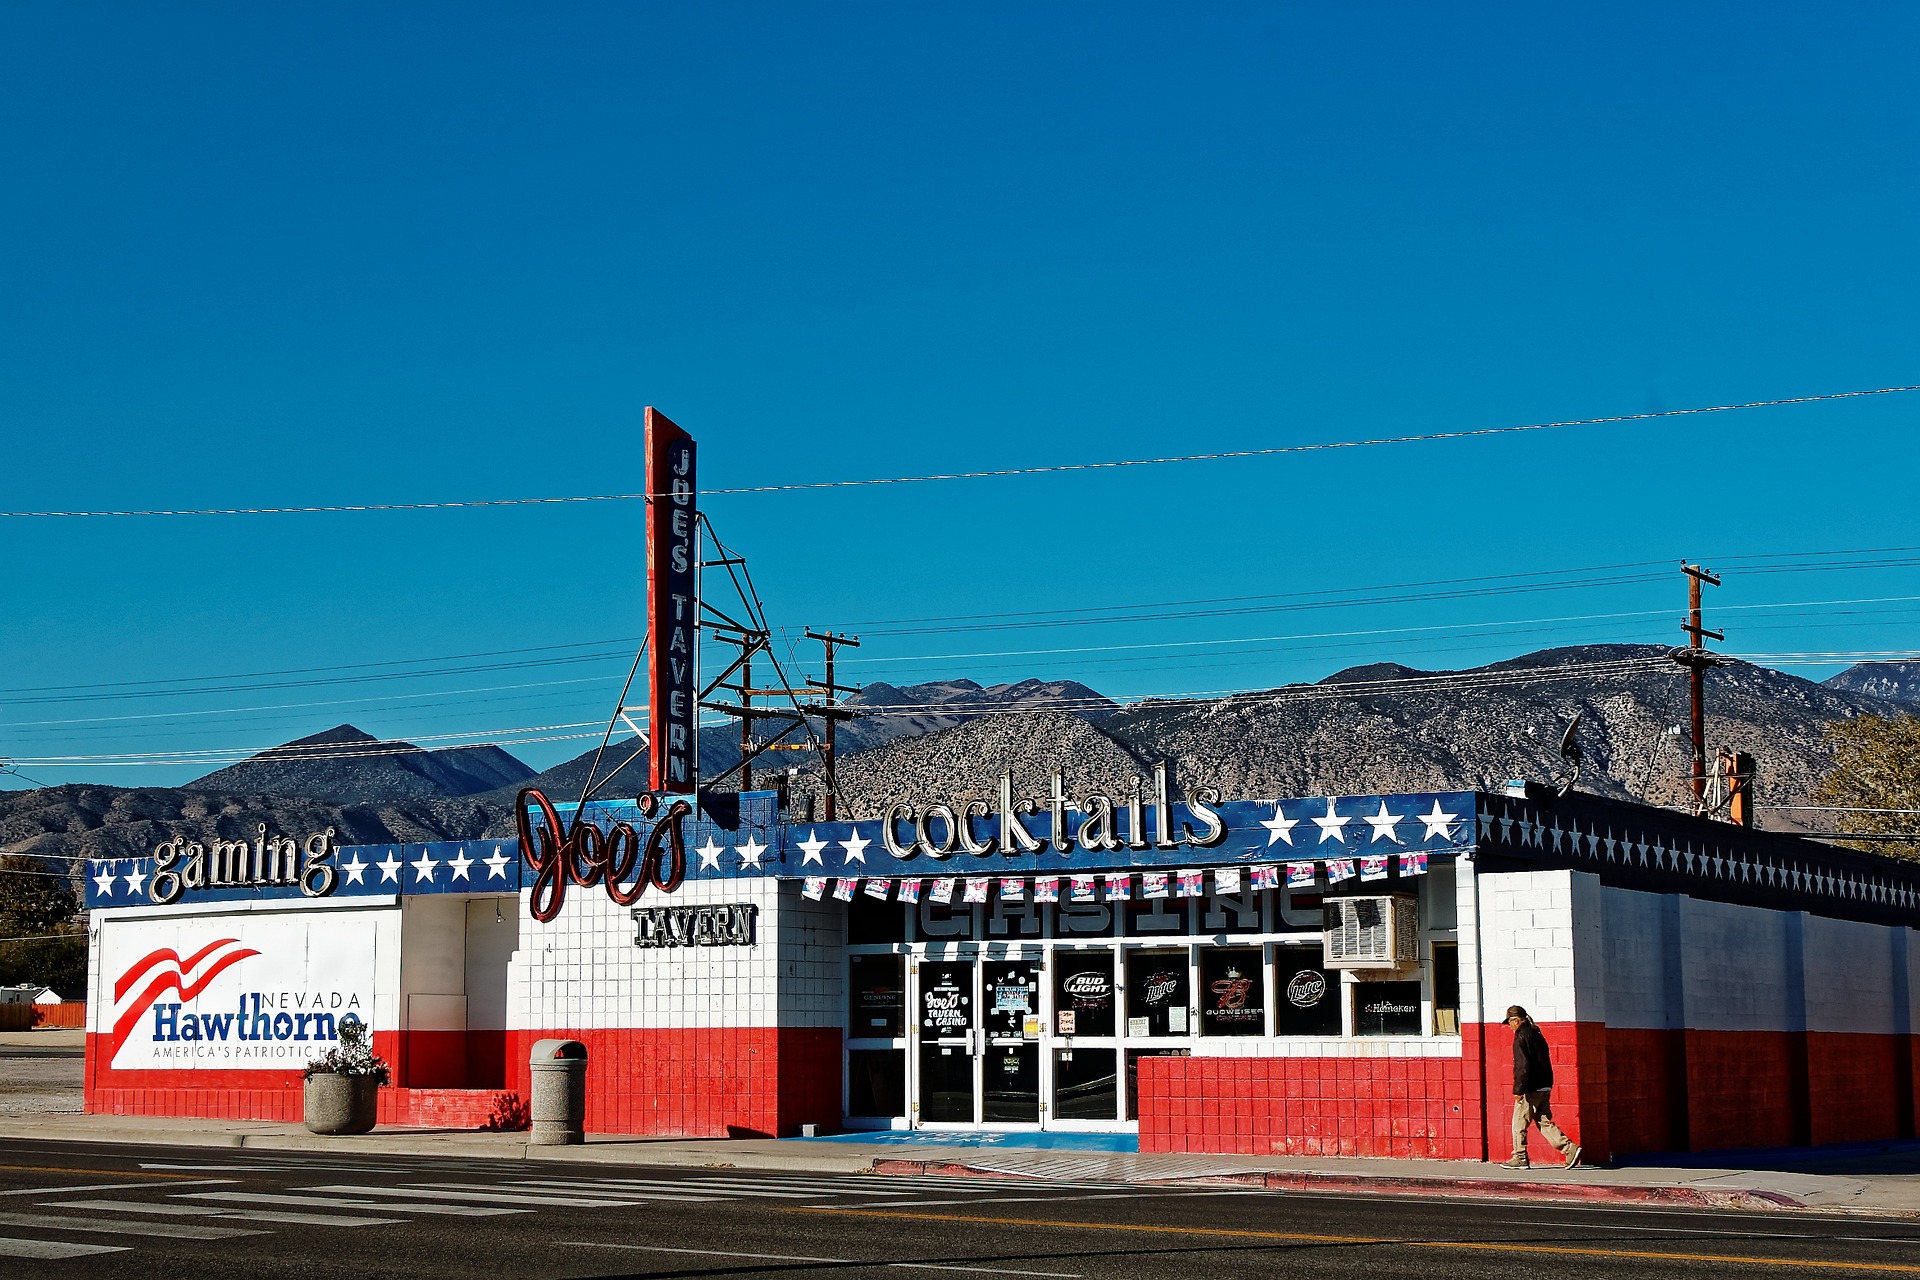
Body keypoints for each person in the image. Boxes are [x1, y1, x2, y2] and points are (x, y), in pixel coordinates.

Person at [1502, 1005, 1582, 1169]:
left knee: (1518, 1122)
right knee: (1544, 1122)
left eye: (1510, 1023)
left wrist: (1519, 1090)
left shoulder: (1521, 1036)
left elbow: (1522, 1066)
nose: (1509, 1027)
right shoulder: (1537, 1033)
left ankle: (1520, 1157)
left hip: (1530, 1088)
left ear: (1516, 1021)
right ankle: (1570, 1149)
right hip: (1544, 1086)